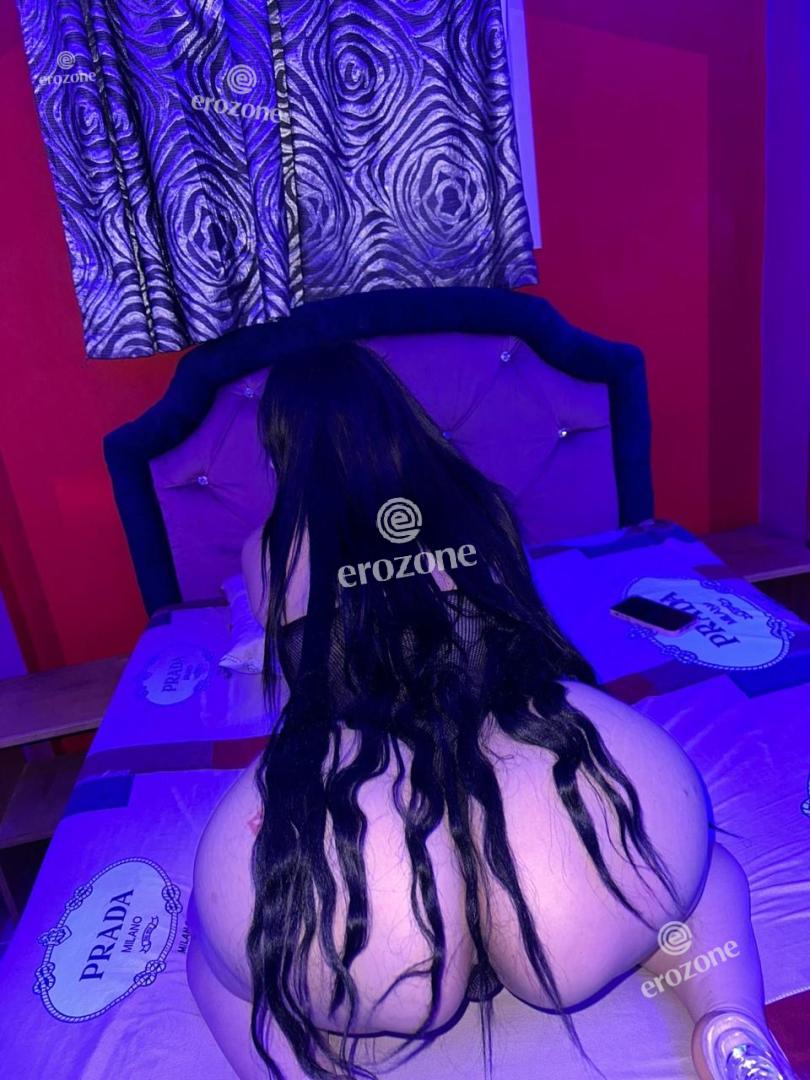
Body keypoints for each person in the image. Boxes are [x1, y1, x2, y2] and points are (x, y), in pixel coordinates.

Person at [187, 342, 795, 1080]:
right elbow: (530, 636)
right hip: (550, 852)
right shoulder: (476, 501)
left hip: (383, 897)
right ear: (398, 414)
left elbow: (296, 665)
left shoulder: (269, 551)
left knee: (212, 944)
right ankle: (731, 1024)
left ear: (281, 445)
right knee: (701, 870)